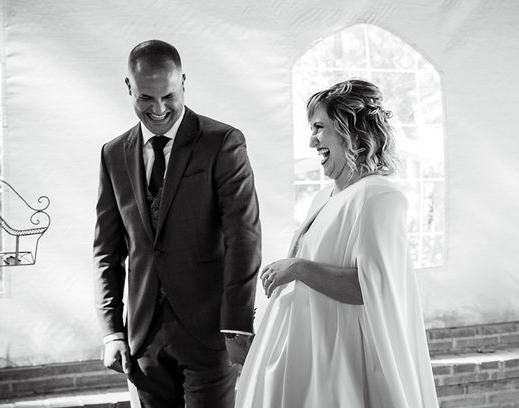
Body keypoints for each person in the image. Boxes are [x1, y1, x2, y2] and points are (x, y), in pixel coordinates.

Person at [235, 79, 439, 407]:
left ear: (352, 134)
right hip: (308, 354)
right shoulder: (325, 196)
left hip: (342, 364)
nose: (312, 140)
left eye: (319, 127)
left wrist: (298, 268)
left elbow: (370, 288)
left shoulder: (378, 196)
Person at [93, 39, 261, 408]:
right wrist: (112, 332)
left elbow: (243, 238)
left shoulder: (222, 142)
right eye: (145, 98)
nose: (158, 109)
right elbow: (107, 250)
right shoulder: (113, 154)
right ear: (129, 87)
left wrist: (236, 326)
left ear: (183, 81)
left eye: (168, 95)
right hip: (142, 339)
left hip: (209, 333)